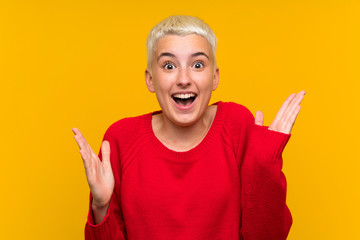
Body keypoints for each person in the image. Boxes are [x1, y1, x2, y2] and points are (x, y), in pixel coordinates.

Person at [73, 15, 305, 240]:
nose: (184, 79)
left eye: (197, 64)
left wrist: (264, 166)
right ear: (150, 79)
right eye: (169, 65)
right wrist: (100, 206)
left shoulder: (236, 125)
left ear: (214, 78)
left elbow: (267, 236)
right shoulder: (121, 140)